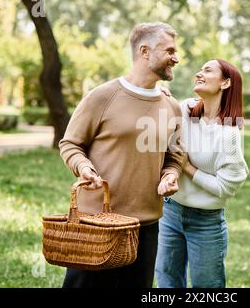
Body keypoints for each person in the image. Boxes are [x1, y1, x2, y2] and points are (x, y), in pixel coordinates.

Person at [58, 22, 184, 288]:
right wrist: (83, 167)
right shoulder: (102, 97)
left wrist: (171, 174)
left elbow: (175, 155)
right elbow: (70, 143)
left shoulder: (172, 107)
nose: (176, 57)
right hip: (96, 223)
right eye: (169, 50)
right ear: (145, 51)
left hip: (145, 226)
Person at [154, 59, 249, 288]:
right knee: (167, 282)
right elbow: (159, 133)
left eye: (208, 70)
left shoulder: (229, 133)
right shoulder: (186, 109)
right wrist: (158, 97)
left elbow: (227, 187)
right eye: (200, 69)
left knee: (207, 289)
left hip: (206, 222)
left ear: (225, 83)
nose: (199, 73)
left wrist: (187, 168)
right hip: (170, 212)